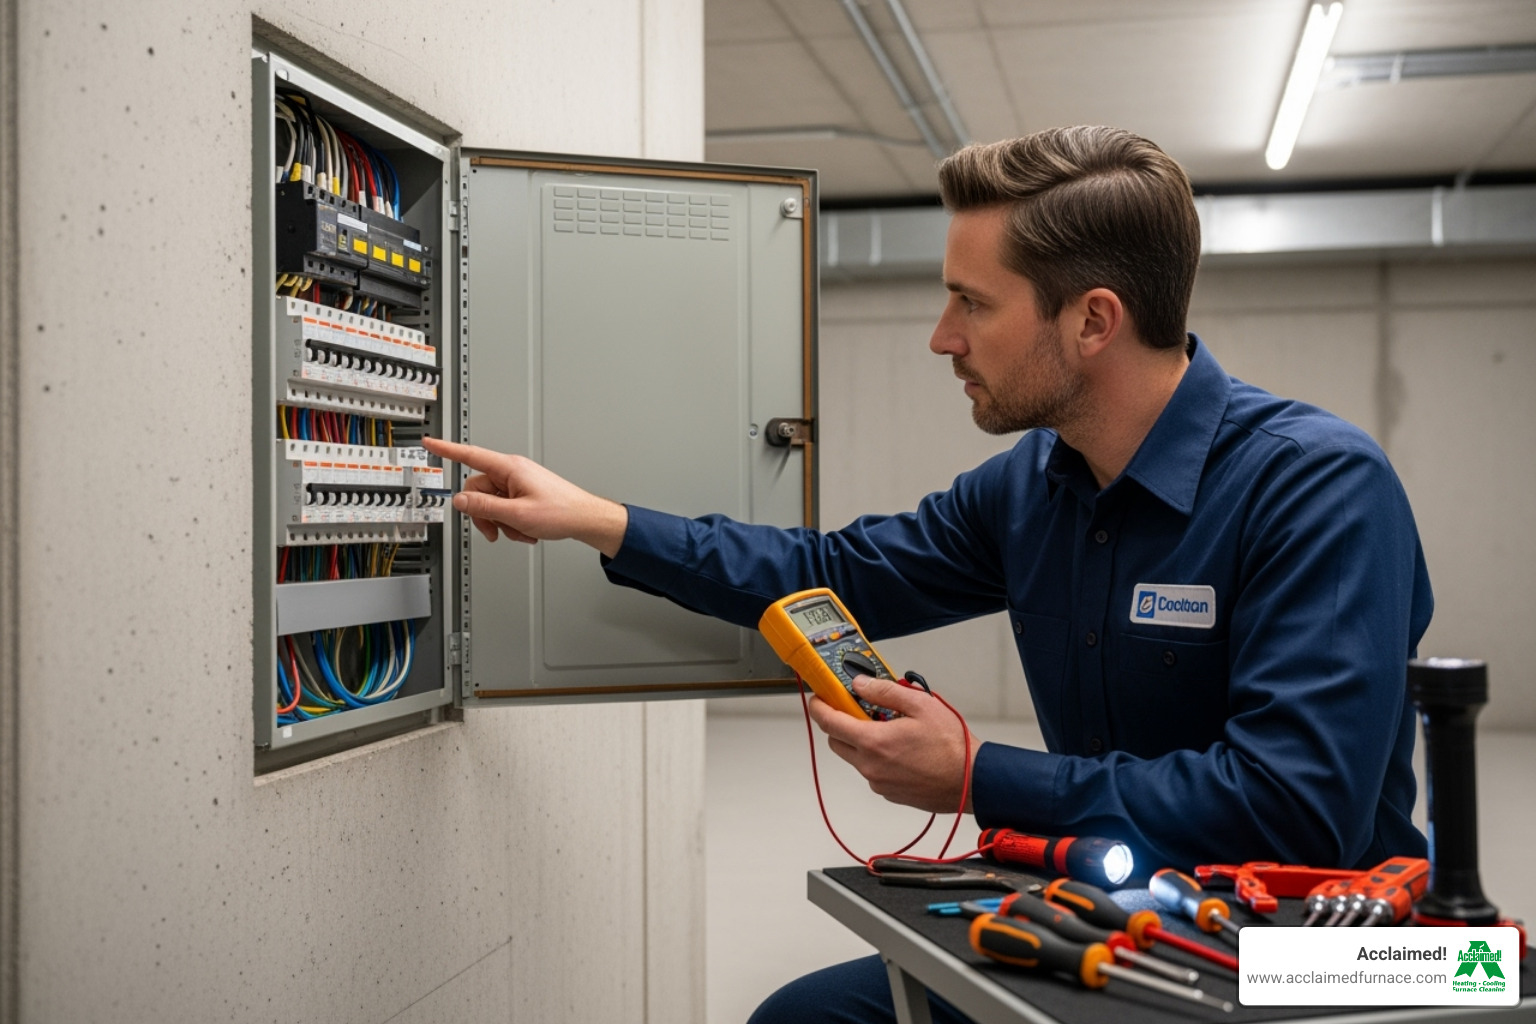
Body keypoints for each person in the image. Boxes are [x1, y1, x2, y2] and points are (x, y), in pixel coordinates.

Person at [422, 125, 1432, 1024]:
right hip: (1124, 918)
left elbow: (1298, 806)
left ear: (1093, 320)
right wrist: (598, 520)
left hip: (1323, 956)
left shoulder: (1318, 487)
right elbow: (829, 572)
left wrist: (975, 774)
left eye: (971, 303)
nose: (943, 338)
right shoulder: (1034, 486)